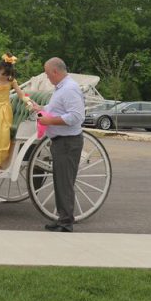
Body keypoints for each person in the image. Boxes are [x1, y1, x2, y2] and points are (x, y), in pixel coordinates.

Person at [33, 57, 85, 232]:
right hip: (61, 141)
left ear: (55, 72)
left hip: (68, 142)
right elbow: (57, 108)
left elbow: (76, 117)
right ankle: (62, 217)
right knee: (59, 181)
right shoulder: (61, 88)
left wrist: (50, 121)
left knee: (65, 182)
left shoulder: (70, 89)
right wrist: (40, 107)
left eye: (48, 74)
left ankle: (66, 222)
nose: (47, 78)